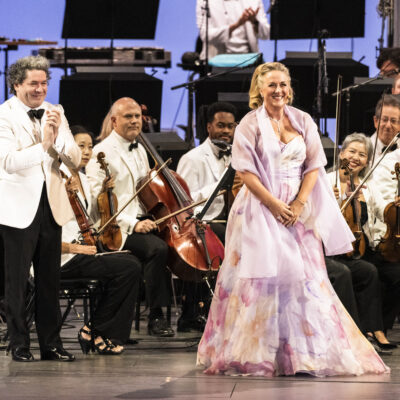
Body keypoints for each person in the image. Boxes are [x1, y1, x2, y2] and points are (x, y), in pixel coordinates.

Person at [197, 62, 389, 376]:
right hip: (260, 206)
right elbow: (245, 171)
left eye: (283, 85)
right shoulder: (250, 123)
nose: (279, 91)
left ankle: (301, 353)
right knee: (262, 280)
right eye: (272, 85)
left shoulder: (302, 119)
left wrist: (299, 203)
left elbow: (314, 166)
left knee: (304, 280)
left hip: (298, 210)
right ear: (260, 88)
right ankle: (258, 352)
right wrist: (274, 204)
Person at [0, 56, 81, 362]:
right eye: (33, 83)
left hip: (52, 204)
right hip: (16, 208)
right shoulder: (3, 116)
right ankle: (19, 343)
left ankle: (51, 343)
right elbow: (8, 162)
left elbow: (73, 156)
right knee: (17, 281)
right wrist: (44, 146)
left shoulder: (55, 111)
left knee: (50, 279)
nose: (40, 89)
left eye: (44, 83)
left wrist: (58, 140)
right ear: (16, 84)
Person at [86, 97, 174, 337]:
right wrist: (133, 224)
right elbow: (98, 203)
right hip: (115, 228)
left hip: (141, 218)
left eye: (137, 116)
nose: (135, 120)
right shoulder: (100, 152)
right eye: (128, 116)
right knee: (157, 249)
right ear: (114, 121)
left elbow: (144, 191)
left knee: (173, 243)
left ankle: (189, 313)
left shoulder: (140, 149)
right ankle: (155, 315)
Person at [60, 125, 142, 354]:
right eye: (80, 146)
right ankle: (97, 330)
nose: (87, 152)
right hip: (64, 257)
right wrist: (75, 247)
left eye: (89, 146)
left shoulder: (84, 179)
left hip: (82, 250)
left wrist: (104, 196)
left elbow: (91, 219)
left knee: (131, 264)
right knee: (128, 268)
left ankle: (97, 331)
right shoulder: (57, 178)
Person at [327, 132, 397, 353]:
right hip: (336, 249)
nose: (356, 157)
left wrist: (394, 205)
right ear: (341, 153)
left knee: (395, 273)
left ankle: (379, 328)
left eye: (363, 154)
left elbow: (382, 210)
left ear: (368, 160)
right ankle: (364, 331)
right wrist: (338, 197)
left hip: (363, 247)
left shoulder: (368, 185)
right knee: (367, 271)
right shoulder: (329, 181)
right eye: (352, 152)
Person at [176, 102, 237, 332]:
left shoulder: (238, 156)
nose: (226, 131)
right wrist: (220, 186)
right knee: (229, 238)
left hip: (230, 219)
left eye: (230, 127)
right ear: (209, 127)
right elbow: (185, 203)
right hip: (203, 222)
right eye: (220, 125)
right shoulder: (193, 158)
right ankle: (202, 311)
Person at [196, 0, 269, 60]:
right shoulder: (205, 1)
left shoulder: (253, 1)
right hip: (217, 61)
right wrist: (235, 26)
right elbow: (205, 35)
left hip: (249, 59)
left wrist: (255, 22)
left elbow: (267, 34)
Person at [369, 95, 400, 164]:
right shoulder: (365, 149)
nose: (388, 125)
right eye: (384, 119)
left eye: (393, 121)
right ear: (376, 121)